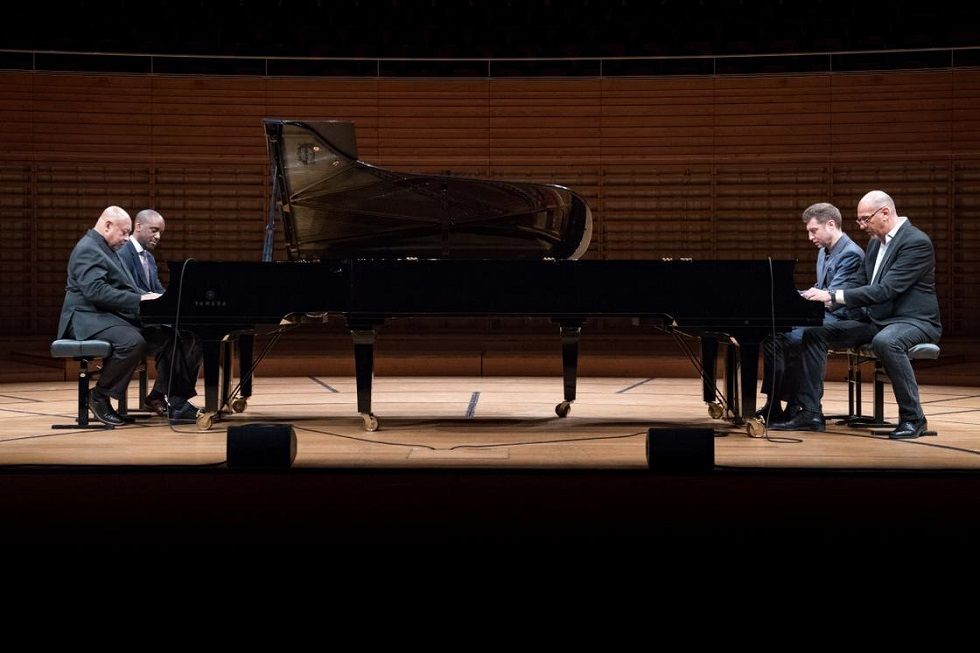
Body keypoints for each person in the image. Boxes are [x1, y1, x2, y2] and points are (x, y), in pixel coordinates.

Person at [769, 191, 942, 438]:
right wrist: (817, 296)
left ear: (885, 212)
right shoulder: (875, 243)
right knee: (813, 333)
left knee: (886, 342)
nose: (861, 226)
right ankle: (810, 413)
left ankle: (914, 418)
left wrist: (832, 296)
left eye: (865, 219)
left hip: (913, 320)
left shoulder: (916, 242)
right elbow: (858, 282)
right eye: (859, 220)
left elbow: (887, 290)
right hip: (878, 320)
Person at [57, 206, 200, 426]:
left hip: (107, 316)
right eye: (124, 232)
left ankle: (176, 401)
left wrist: (152, 298)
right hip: (86, 318)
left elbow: (125, 287)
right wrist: (140, 299)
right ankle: (99, 396)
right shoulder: (88, 248)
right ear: (107, 225)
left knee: (170, 337)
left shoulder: (106, 248)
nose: (127, 238)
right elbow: (95, 291)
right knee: (132, 342)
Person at [757, 203, 864, 422]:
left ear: (831, 224)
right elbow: (819, 289)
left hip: (845, 317)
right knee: (773, 334)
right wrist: (793, 295)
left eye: (813, 230)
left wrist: (798, 299)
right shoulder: (824, 252)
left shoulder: (851, 254)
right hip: (826, 313)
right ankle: (774, 403)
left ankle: (802, 406)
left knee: (794, 335)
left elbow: (834, 298)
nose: (810, 237)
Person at [118, 209, 203, 418]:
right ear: (138, 226)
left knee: (195, 337)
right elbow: (128, 291)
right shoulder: (122, 253)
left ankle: (165, 396)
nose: (157, 236)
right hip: (131, 324)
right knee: (174, 340)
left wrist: (176, 301)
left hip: (150, 321)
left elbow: (157, 290)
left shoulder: (148, 257)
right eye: (154, 230)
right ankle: (173, 399)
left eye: (160, 233)